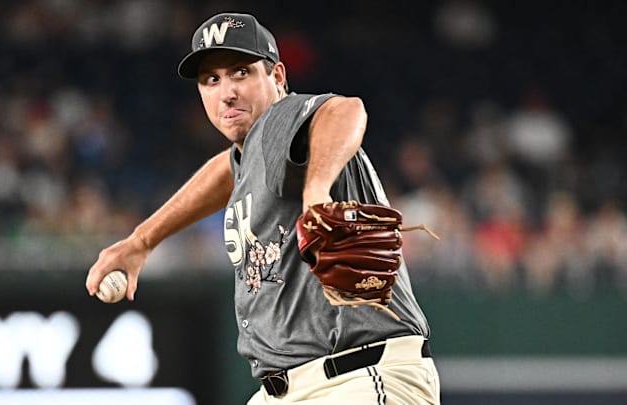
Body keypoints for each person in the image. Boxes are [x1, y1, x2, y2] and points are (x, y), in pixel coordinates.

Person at [85, 12, 440, 404]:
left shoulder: (282, 119)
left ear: (277, 77)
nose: (226, 91)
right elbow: (226, 170)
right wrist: (142, 240)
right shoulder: (250, 154)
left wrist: (317, 192)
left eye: (241, 72)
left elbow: (344, 110)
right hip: (290, 389)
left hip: (352, 378)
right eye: (211, 80)